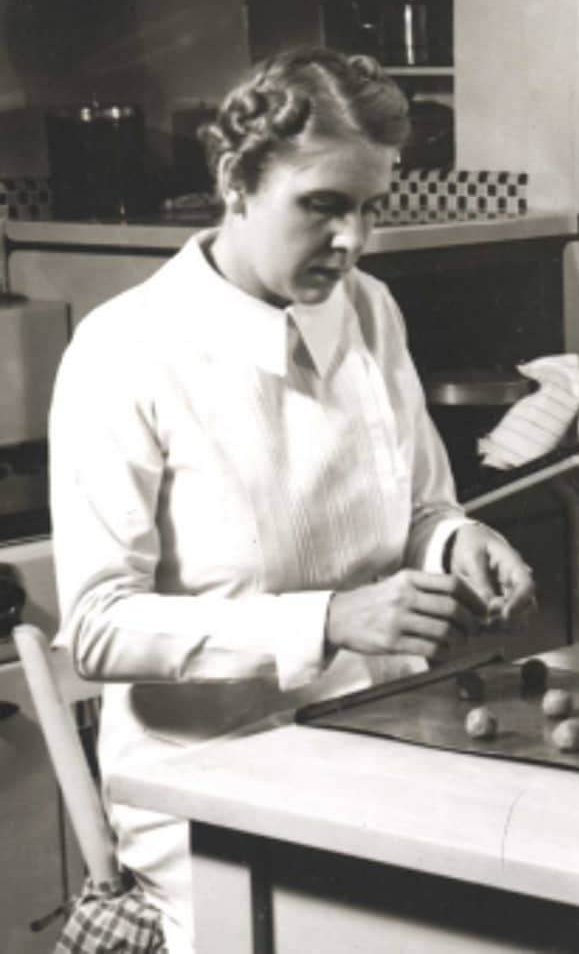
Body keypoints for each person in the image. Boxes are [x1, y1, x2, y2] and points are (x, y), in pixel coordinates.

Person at [50, 47, 535, 954]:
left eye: (370, 208)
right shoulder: (127, 351)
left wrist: (458, 542)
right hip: (212, 790)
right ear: (236, 182)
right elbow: (99, 628)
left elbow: (423, 508)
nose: (354, 241)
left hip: (386, 742)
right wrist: (329, 621)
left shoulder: (371, 311)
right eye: (323, 206)